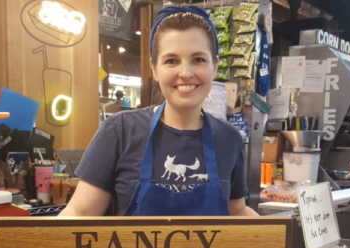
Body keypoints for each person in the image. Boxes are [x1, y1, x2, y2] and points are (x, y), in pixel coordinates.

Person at [59, 6, 257, 217]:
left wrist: (273, 238)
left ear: (215, 66)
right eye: (171, 61)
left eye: (198, 59)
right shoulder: (121, 130)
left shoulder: (229, 139)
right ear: (154, 69)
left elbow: (236, 213)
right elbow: (79, 213)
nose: (185, 73)